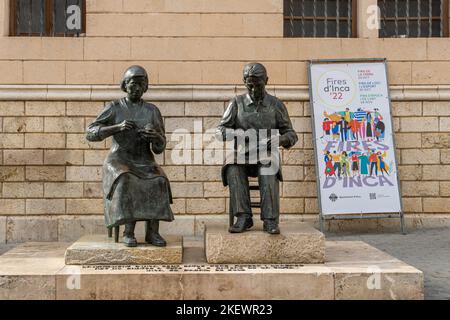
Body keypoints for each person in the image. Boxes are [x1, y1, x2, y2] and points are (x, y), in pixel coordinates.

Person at [86, 66, 174, 247]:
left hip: (144, 159)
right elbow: (91, 132)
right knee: (125, 178)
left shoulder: (152, 111)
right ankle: (128, 231)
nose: (137, 88)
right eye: (133, 84)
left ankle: (153, 232)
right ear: (125, 85)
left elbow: (160, 147)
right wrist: (116, 127)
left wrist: (155, 137)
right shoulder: (114, 108)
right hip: (119, 159)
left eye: (142, 84)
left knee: (159, 180)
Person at [216, 63, 298, 234]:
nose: (253, 89)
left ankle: (270, 220)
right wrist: (239, 134)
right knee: (232, 167)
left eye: (258, 85)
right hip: (242, 154)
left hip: (266, 154)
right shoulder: (236, 103)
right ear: (244, 82)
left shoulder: (276, 105)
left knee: (268, 167)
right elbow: (220, 130)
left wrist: (280, 139)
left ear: (266, 81)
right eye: (249, 85)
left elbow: (291, 134)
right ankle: (243, 217)